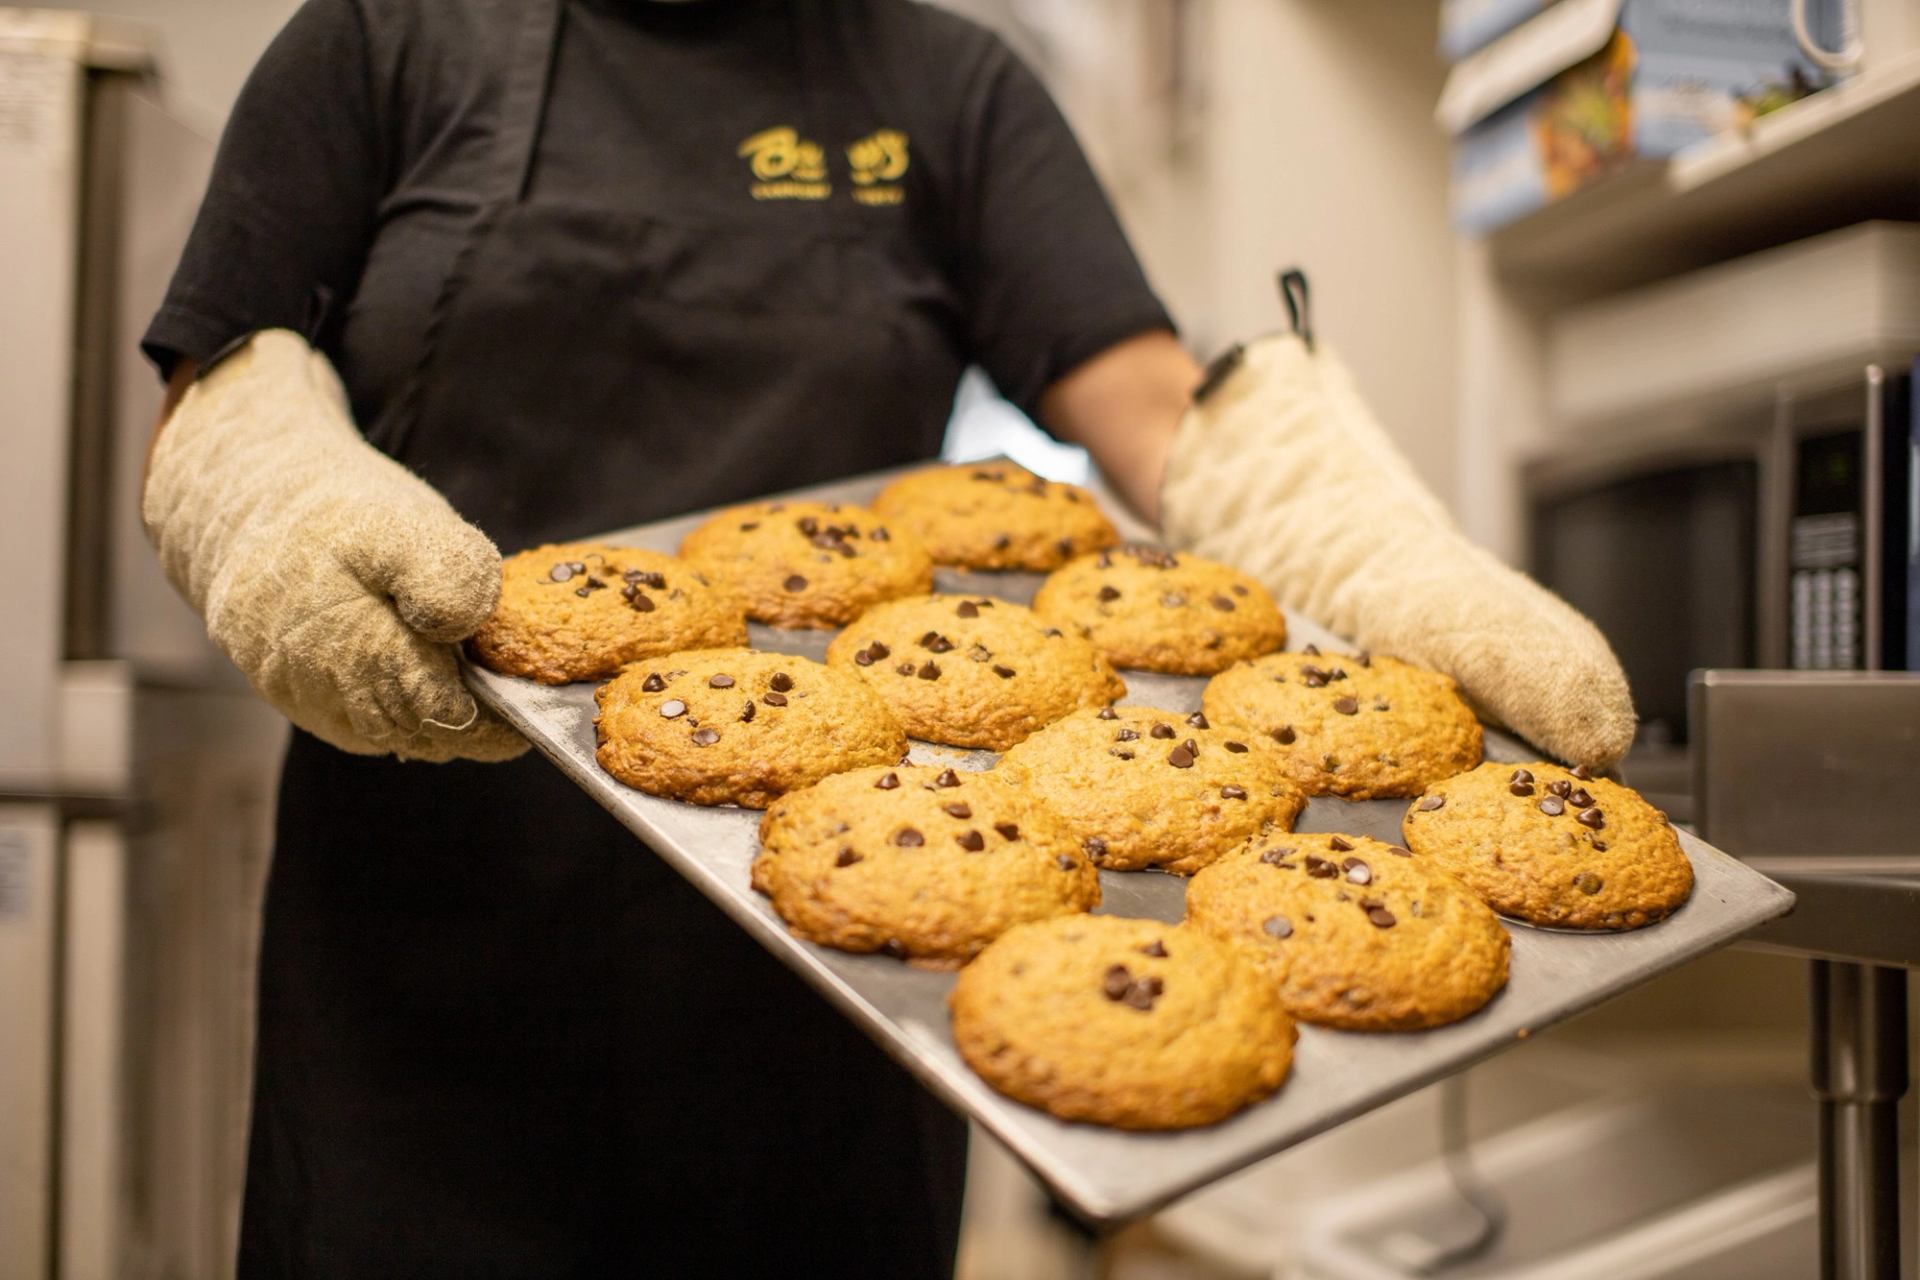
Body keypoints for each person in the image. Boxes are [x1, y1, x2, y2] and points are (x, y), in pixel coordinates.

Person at [142, 0, 1634, 1275]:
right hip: (428, 960)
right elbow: (226, 371)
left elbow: (1164, 415)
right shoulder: (383, 37)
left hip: (861, 968)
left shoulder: (950, 86)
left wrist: (1387, 558)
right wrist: (272, 490)